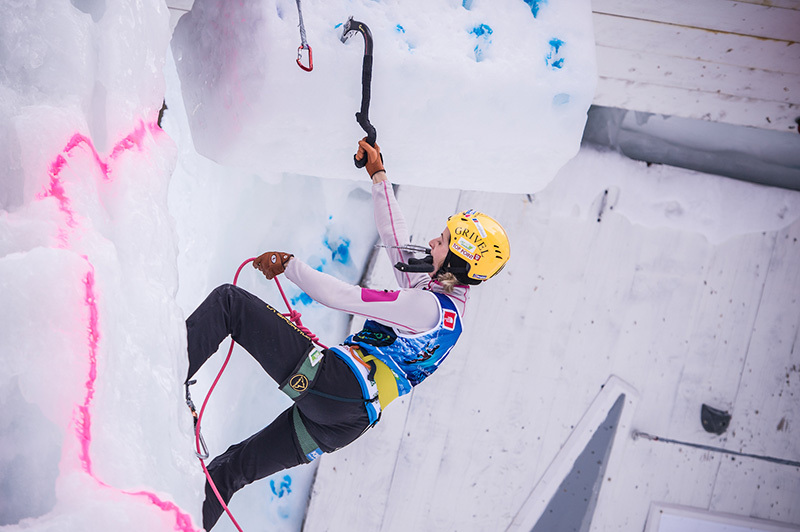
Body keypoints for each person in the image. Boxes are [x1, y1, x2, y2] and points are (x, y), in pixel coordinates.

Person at [184, 139, 510, 530]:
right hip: (344, 423)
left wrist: (290, 266)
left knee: (230, 304)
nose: (433, 241)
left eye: (443, 241)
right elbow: (396, 242)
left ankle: (168, 371)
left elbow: (344, 297)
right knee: (229, 471)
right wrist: (379, 176)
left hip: (336, 386)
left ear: (458, 259)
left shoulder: (426, 307)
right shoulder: (444, 306)